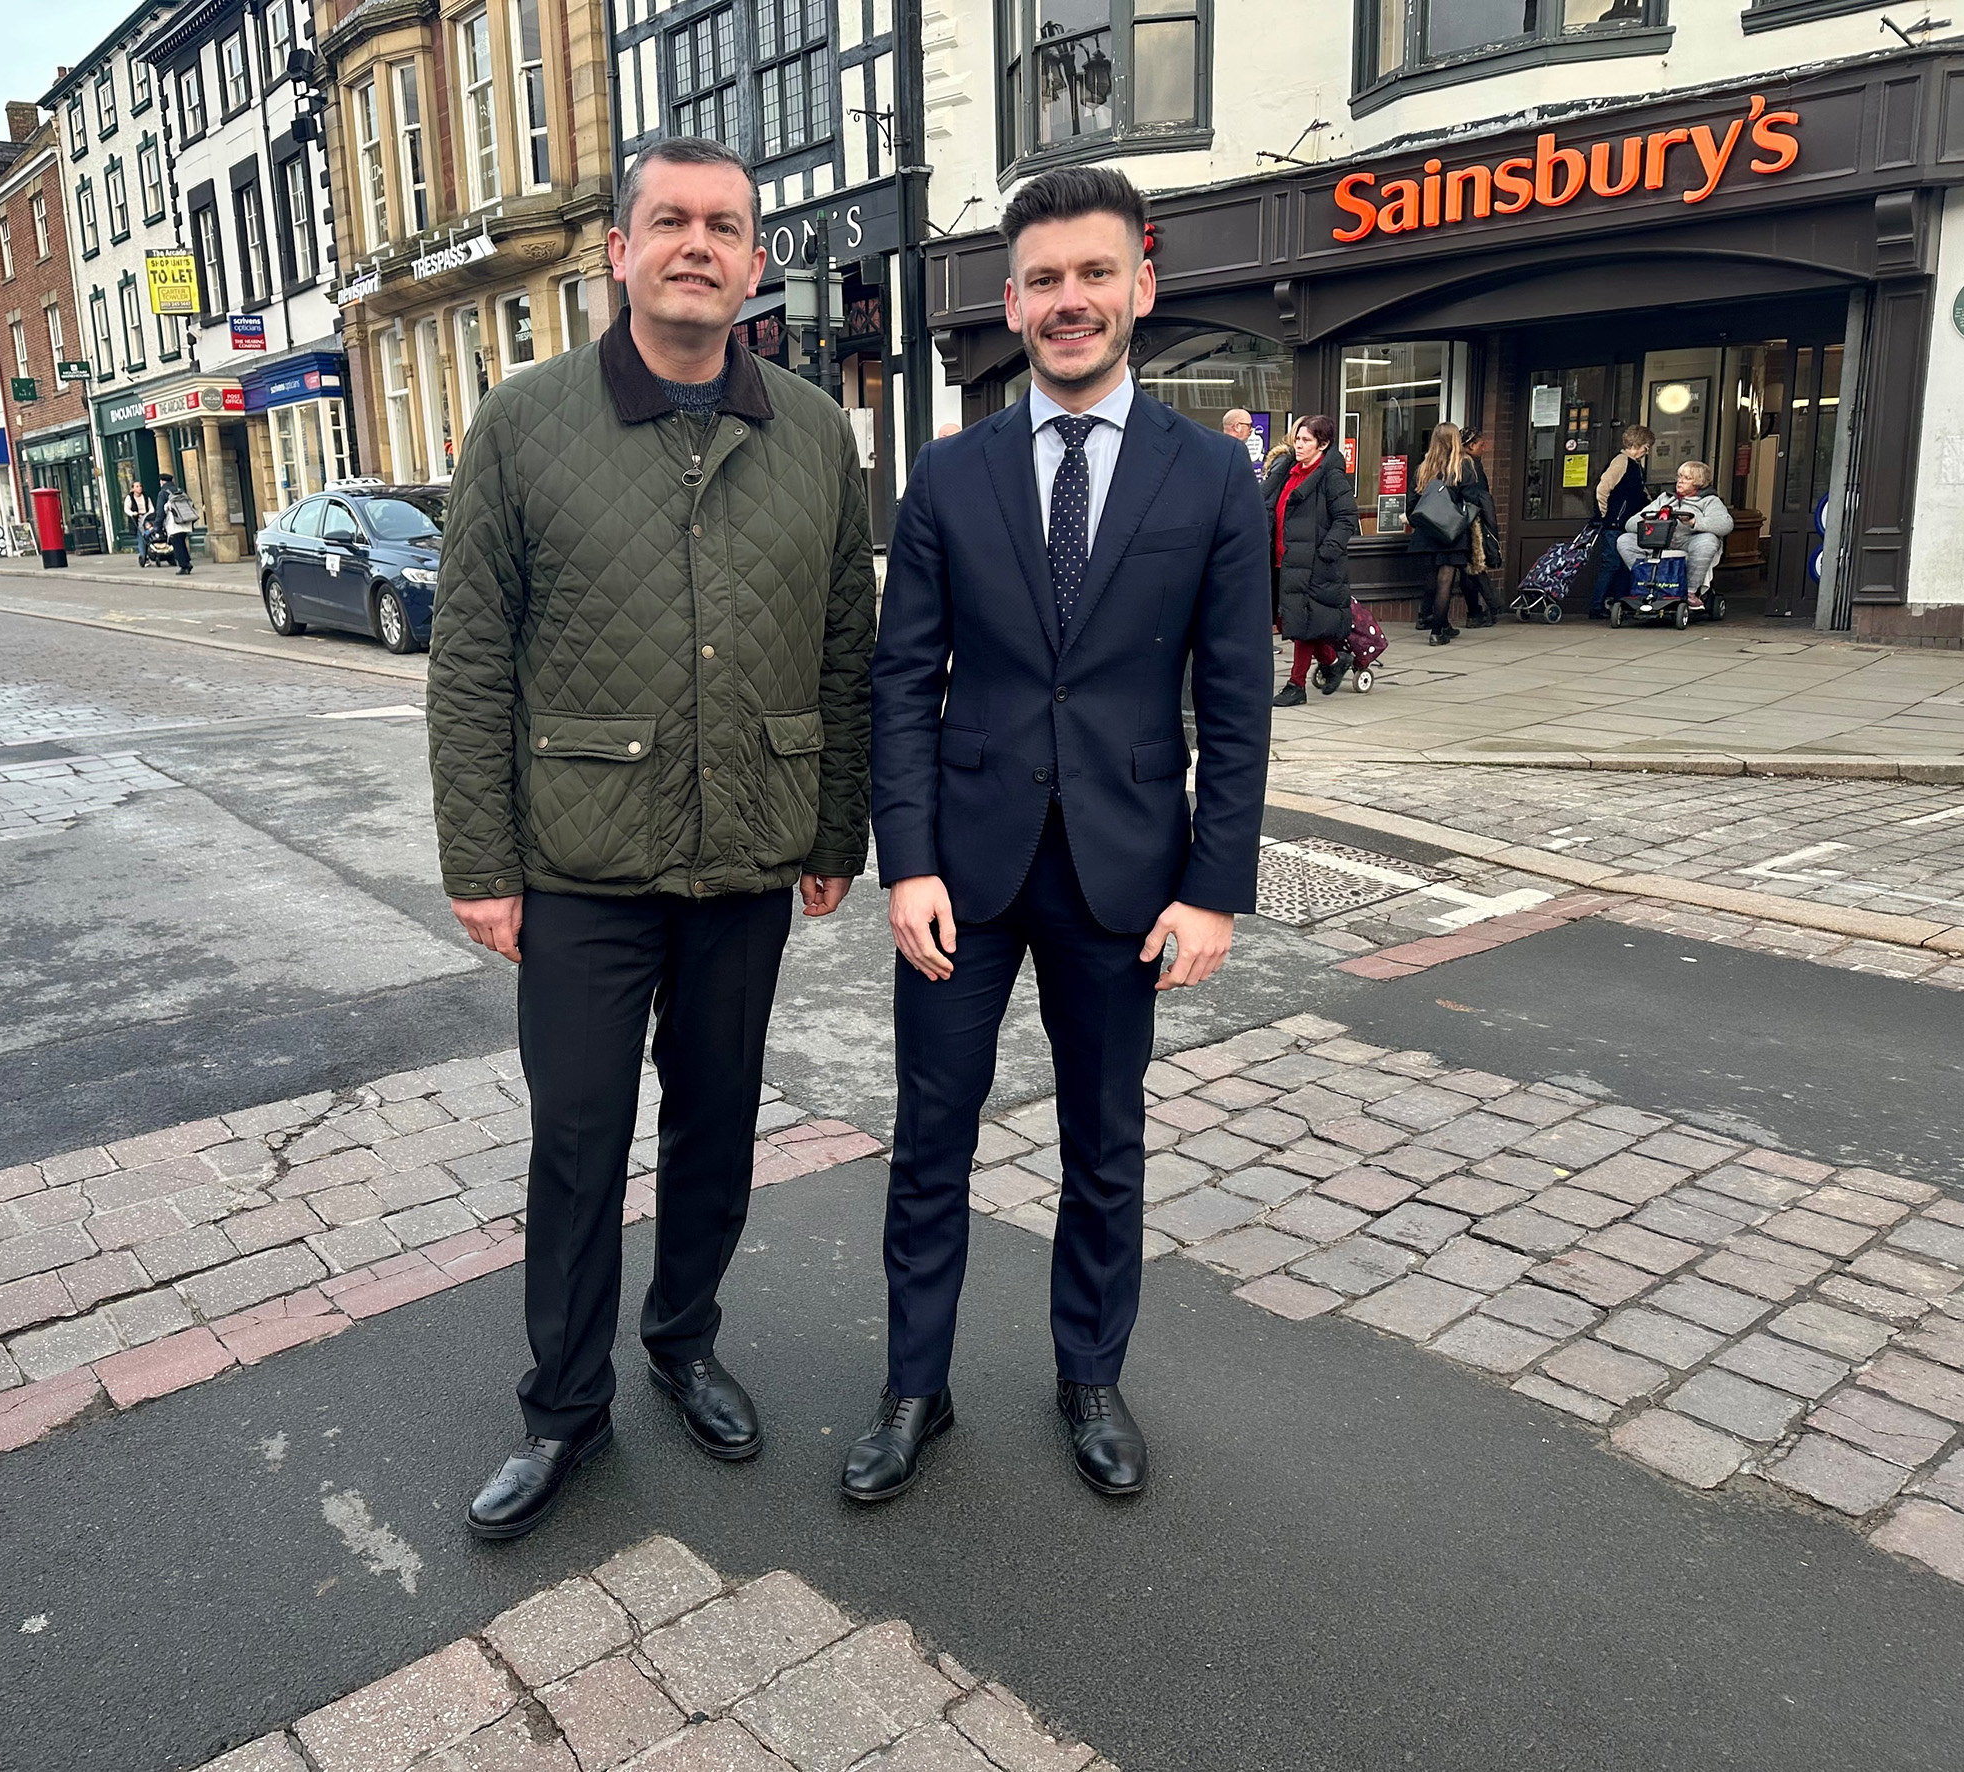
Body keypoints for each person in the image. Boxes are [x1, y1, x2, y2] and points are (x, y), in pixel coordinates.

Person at [428, 136, 875, 1540]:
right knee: (576, 1134)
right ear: (618, 251)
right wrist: (480, 862)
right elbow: (469, 661)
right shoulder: (523, 421)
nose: (696, 243)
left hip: (748, 841)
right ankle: (563, 1406)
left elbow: (843, 650)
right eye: (667, 220)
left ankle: (681, 1337)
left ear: (754, 262)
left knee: (718, 1122)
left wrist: (833, 829)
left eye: (724, 225)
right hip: (577, 857)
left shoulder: (813, 429)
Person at [851, 166, 1271, 1504]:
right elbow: (900, 682)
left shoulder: (1208, 477)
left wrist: (1212, 888)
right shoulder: (947, 475)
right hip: (961, 877)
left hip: (1123, 875)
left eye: (1094, 273)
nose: (1068, 300)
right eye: (1042, 279)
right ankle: (916, 1387)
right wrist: (905, 860)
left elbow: (1235, 698)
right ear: (1011, 300)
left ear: (1139, 285)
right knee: (931, 1138)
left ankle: (1089, 1375)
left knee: (1104, 1138)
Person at [1264, 415, 1357, 708]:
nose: (1298, 444)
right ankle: (1333, 660)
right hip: (1284, 559)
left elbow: (1346, 518)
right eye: (1298, 439)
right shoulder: (1290, 472)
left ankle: (1296, 685)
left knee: (1301, 622)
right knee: (1285, 619)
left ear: (1323, 443)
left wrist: (1327, 551)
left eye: (1306, 440)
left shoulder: (1331, 476)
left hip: (1313, 562)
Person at [1616, 459, 1733, 606]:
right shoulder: (1665, 498)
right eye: (1680, 476)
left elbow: (1726, 524)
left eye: (1687, 478)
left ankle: (1690, 591)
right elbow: (1630, 524)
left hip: (1689, 541)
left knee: (1708, 540)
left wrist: (1694, 522)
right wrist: (1651, 520)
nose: (1680, 481)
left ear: (1699, 482)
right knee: (1625, 540)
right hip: (1659, 542)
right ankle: (1646, 583)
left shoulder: (1709, 501)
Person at [1407, 422, 1483, 645]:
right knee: (1446, 580)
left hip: (1427, 531)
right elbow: (1472, 501)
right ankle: (1437, 631)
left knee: (1432, 578)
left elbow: (1411, 504)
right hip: (1452, 532)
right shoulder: (1463, 467)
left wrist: (1420, 522)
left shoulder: (1424, 468)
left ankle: (1436, 621)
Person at [1587, 425, 1653, 619]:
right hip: (1615, 525)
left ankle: (1619, 603)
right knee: (1612, 564)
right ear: (1636, 444)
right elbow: (1603, 487)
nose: (1646, 452)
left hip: (1625, 525)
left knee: (1622, 565)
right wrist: (1603, 515)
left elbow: (1640, 493)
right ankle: (1596, 606)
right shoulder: (1622, 461)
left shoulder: (1635, 466)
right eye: (1646, 447)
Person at [1458, 427, 1500, 627]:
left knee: (1469, 568)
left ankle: (1479, 611)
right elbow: (1480, 497)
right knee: (1472, 568)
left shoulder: (1456, 463)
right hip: (1470, 522)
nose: (1485, 449)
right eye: (1481, 445)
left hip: (1457, 522)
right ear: (1471, 446)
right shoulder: (1471, 466)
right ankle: (1488, 607)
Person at [157, 474, 195, 573]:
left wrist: (157, 526)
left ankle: (184, 566)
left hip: (173, 523)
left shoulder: (163, 493)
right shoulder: (179, 490)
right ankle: (187, 561)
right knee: (182, 542)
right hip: (185, 521)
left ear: (162, 482)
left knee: (177, 544)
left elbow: (160, 511)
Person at [124, 478, 154, 559]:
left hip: (146, 518)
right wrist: (132, 514)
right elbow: (126, 509)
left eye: (140, 486)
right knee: (140, 537)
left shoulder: (146, 496)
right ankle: (143, 556)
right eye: (137, 486)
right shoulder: (129, 497)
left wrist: (149, 514)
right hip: (137, 519)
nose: (139, 488)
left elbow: (151, 507)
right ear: (133, 488)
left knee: (149, 533)